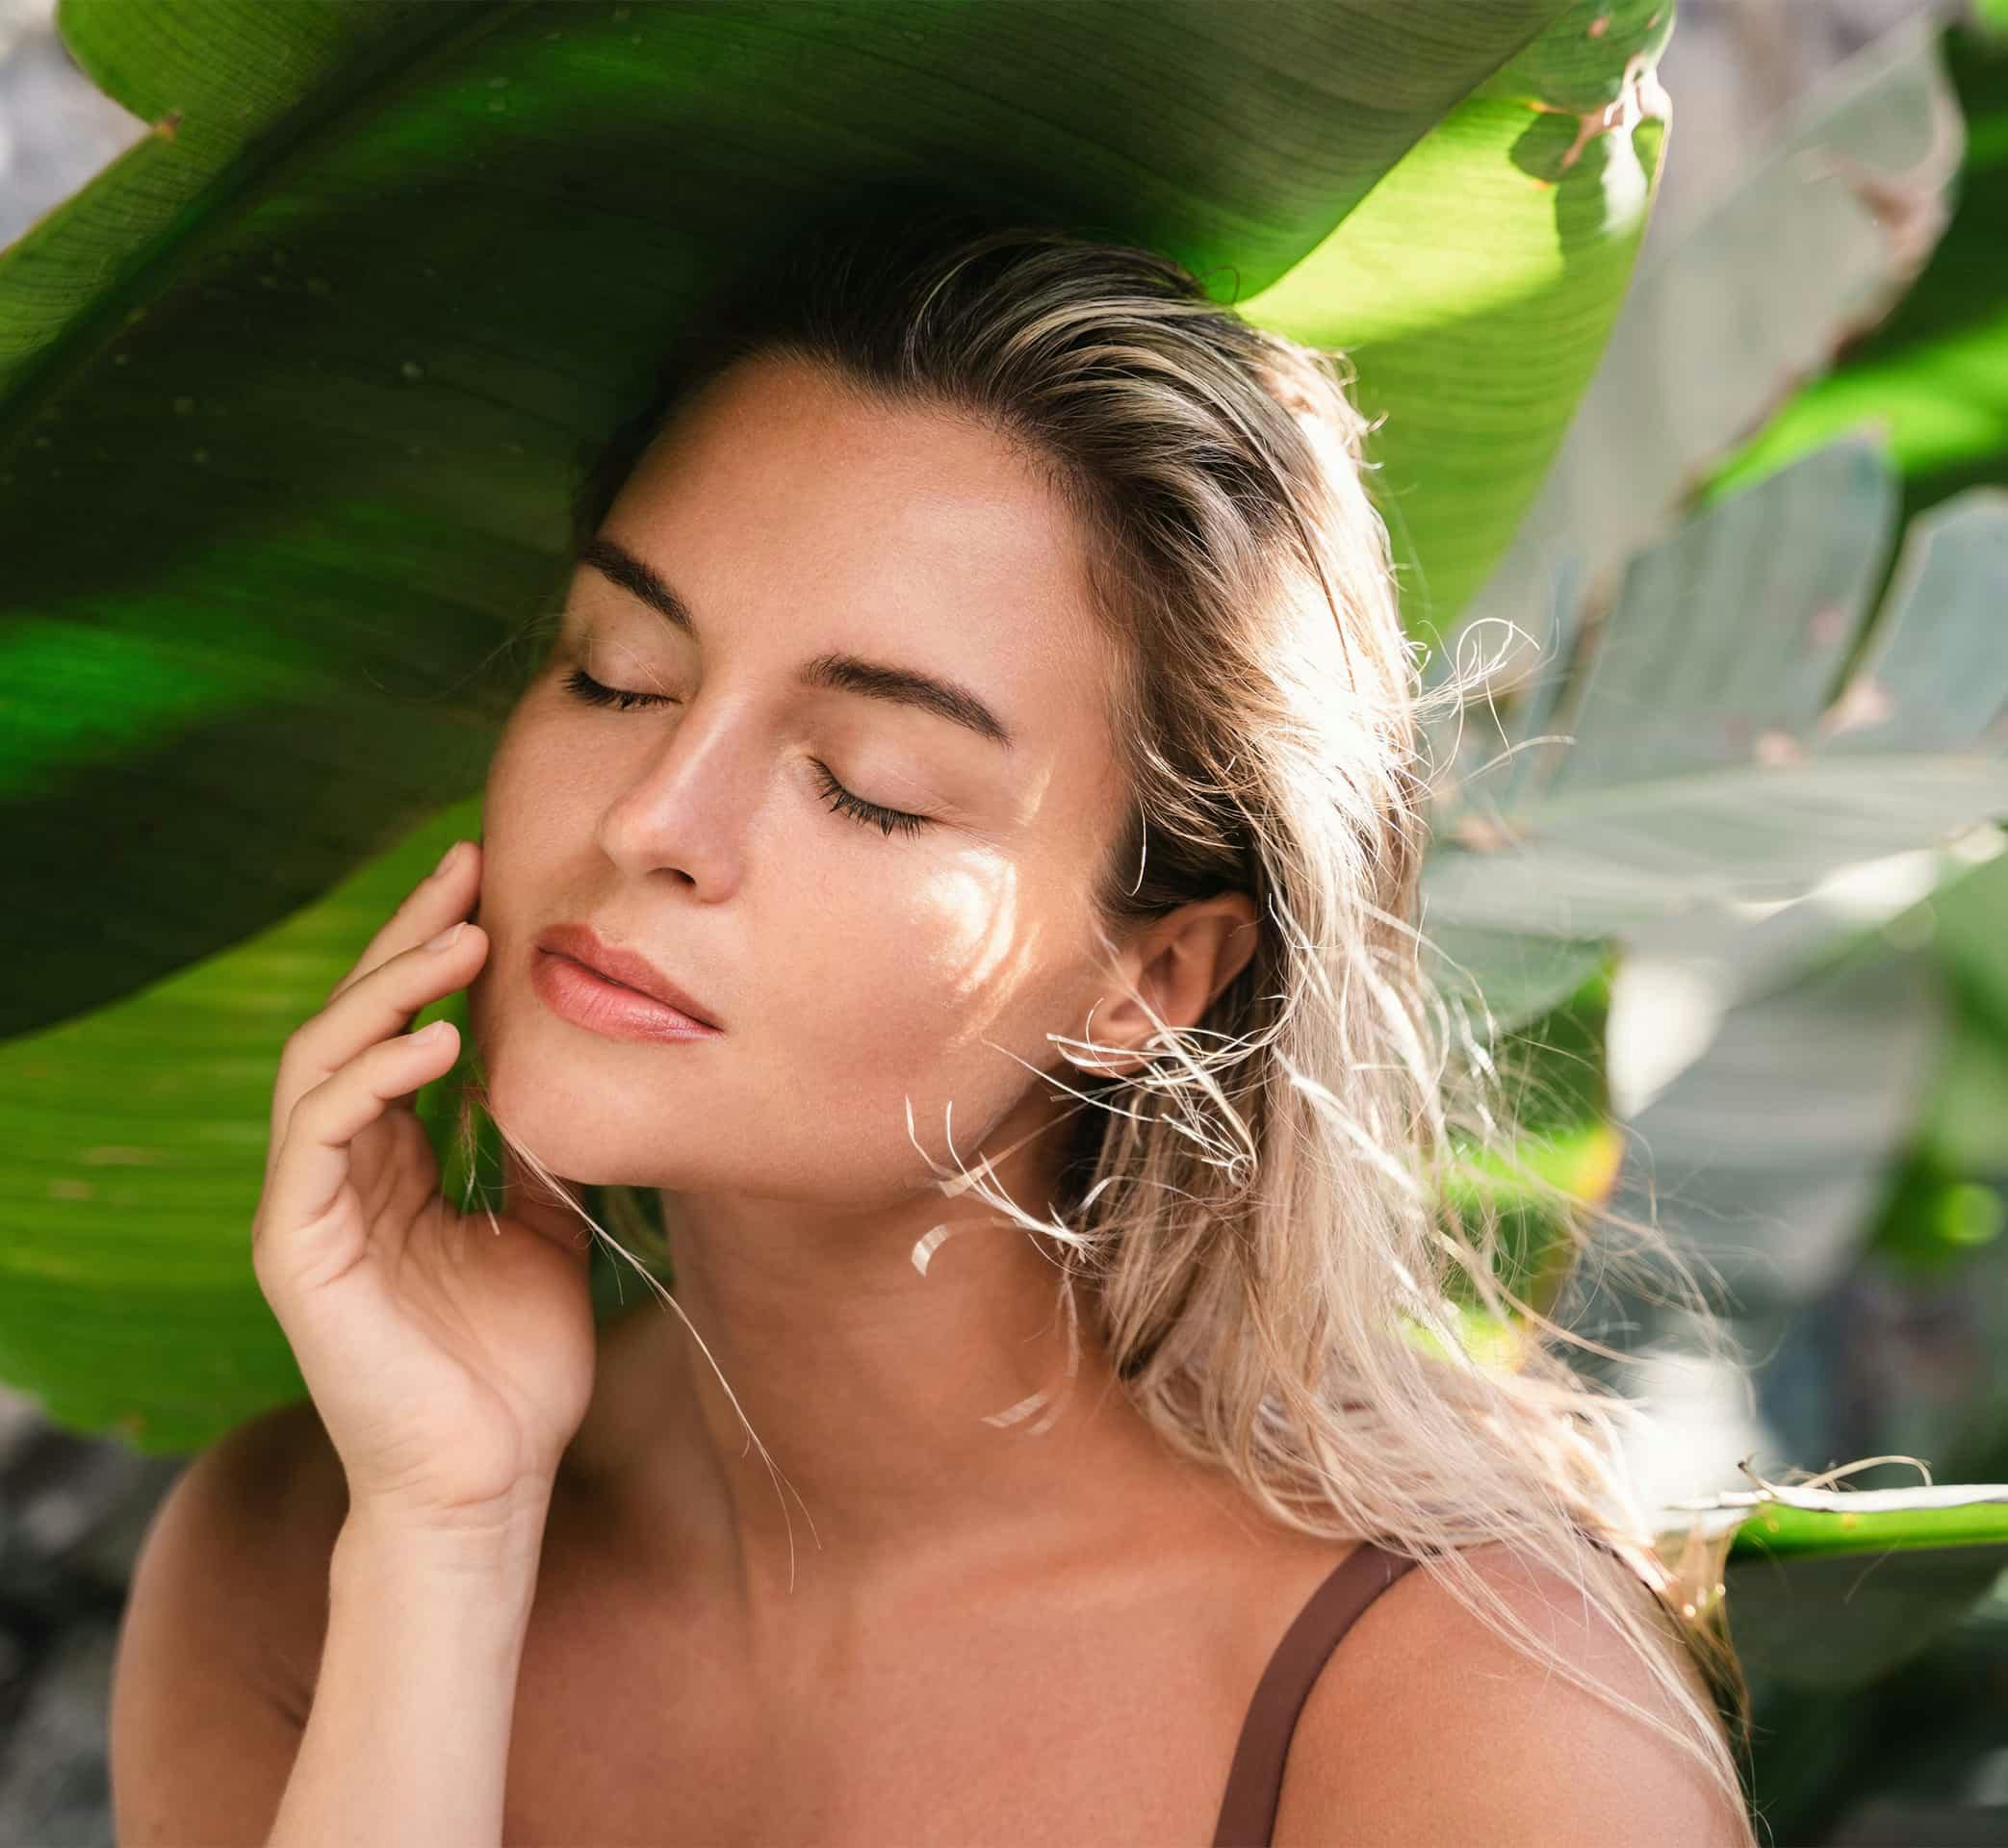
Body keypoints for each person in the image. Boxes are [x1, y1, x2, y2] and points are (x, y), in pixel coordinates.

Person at [108, 213, 1759, 1847]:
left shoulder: (1484, 1726)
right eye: (617, 675)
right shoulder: (298, 1557)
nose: (655, 817)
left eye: (868, 788)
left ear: (1151, 981)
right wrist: (442, 1549)